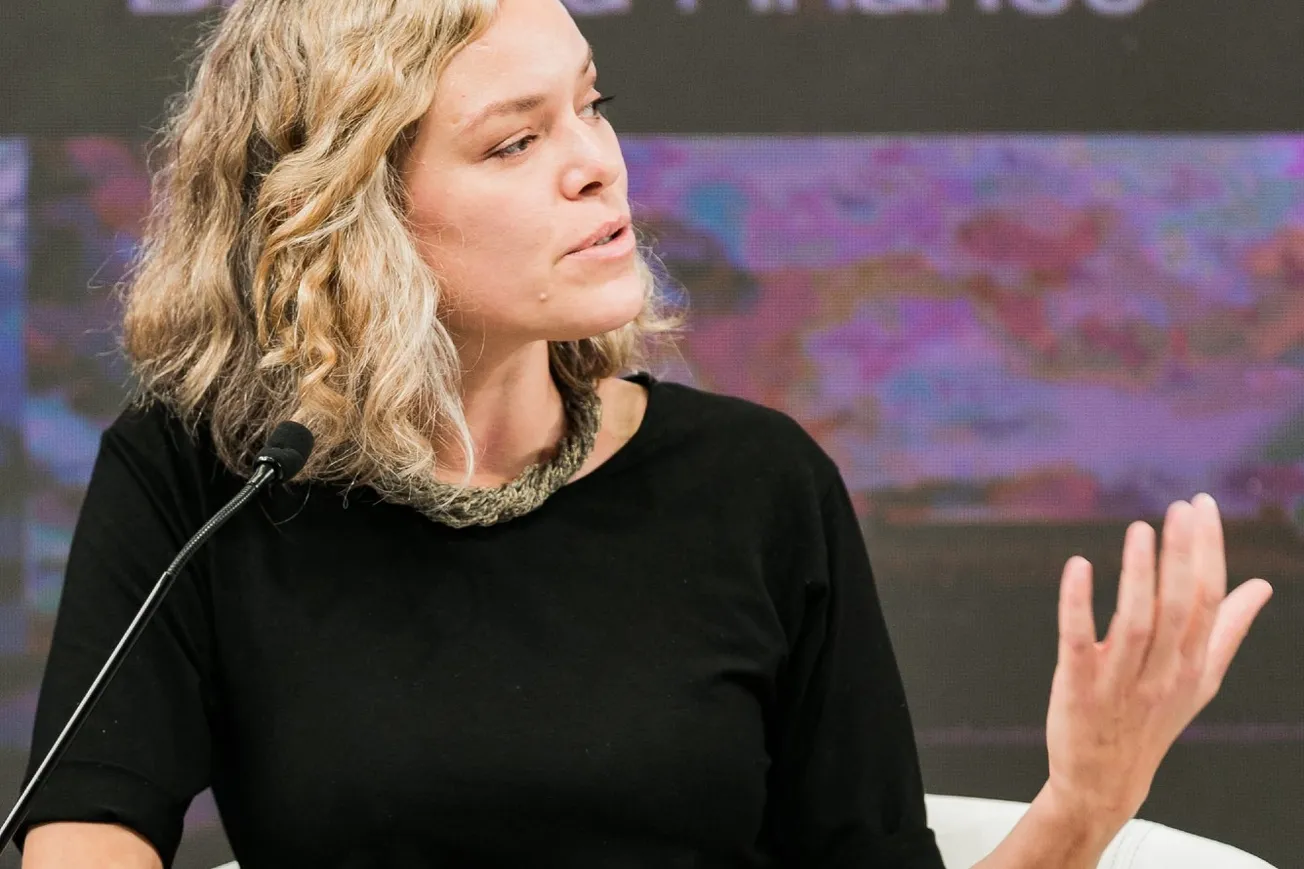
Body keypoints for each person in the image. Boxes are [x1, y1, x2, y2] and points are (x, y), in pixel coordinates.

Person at [17, 0, 1275, 866]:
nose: (596, 164)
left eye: (590, 104)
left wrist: (1082, 803)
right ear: (346, 216)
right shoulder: (209, 473)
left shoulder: (757, 483)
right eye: (515, 141)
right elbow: (88, 822)